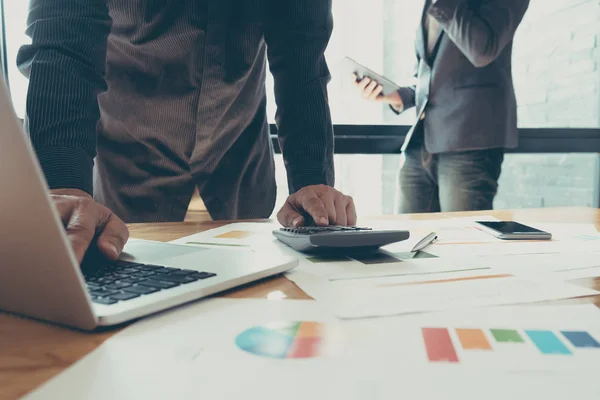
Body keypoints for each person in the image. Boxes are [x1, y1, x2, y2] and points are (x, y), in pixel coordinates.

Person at [17, 0, 357, 263]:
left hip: (240, 186)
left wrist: (312, 183)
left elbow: (301, 60)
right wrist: (63, 185)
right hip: (125, 192)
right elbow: (64, 46)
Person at [354, 0, 529, 213]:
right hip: (420, 144)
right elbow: (428, 76)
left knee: (462, 240)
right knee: (408, 240)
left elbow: (482, 50)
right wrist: (397, 95)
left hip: (469, 144)